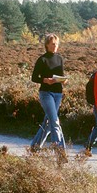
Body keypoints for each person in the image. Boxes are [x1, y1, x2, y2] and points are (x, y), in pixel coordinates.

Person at [29, 33, 68, 163]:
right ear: (47, 45)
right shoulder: (42, 60)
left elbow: (61, 75)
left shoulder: (60, 59)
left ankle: (34, 147)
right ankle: (60, 153)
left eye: (56, 44)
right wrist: (45, 80)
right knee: (55, 122)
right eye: (52, 44)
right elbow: (34, 77)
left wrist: (63, 81)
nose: (55, 46)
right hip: (46, 93)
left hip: (58, 93)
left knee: (48, 122)